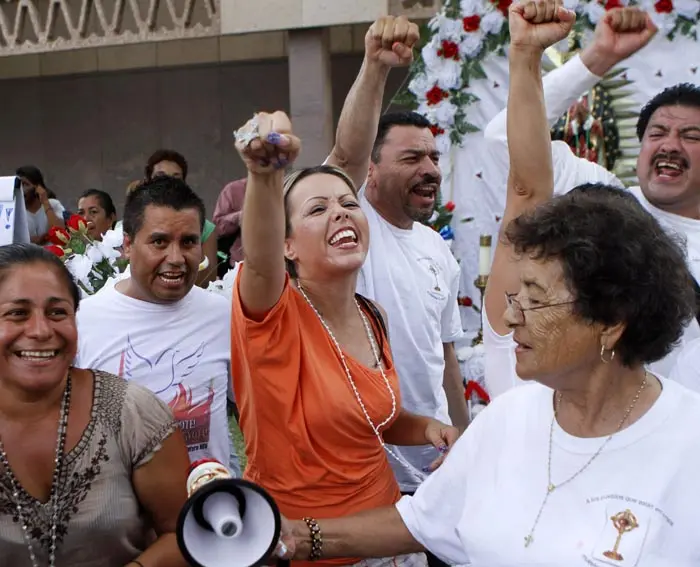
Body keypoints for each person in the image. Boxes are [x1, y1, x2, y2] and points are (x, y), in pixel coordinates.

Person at [275, 2, 700, 565]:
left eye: (538, 298)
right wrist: (290, 537)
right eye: (515, 290)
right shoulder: (508, 418)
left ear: (612, 320)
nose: (509, 314)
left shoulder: (686, 444)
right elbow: (418, 523)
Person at [231, 106, 459, 567]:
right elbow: (258, 257)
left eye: (348, 203)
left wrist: (431, 427)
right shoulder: (271, 315)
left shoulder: (371, 314)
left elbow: (371, 417)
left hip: (387, 537)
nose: (340, 213)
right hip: (303, 545)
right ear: (288, 245)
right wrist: (263, 175)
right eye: (318, 209)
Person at [482, 6, 700, 395]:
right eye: (658, 132)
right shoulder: (606, 205)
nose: (670, 145)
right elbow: (504, 142)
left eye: (691, 136)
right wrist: (599, 58)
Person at [325, 18, 469, 507]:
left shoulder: (437, 248)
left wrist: (463, 439)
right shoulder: (348, 224)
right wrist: (374, 66)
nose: (430, 170)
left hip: (434, 468)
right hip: (362, 473)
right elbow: (345, 154)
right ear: (372, 169)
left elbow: (445, 354)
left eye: (432, 157)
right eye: (411, 159)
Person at [0, 243, 190, 567]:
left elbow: (185, 534)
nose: (41, 330)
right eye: (18, 313)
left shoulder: (132, 414)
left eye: (57, 312)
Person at [74, 176, 240, 476]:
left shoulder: (222, 316)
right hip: (117, 518)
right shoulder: (83, 320)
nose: (175, 259)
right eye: (159, 242)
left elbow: (254, 415)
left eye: (188, 242)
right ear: (126, 245)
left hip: (209, 513)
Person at [144, 149, 218, 286]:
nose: (168, 182)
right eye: (160, 176)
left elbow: (209, 277)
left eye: (176, 178)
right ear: (148, 181)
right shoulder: (124, 227)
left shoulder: (205, 228)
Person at [16, 166, 65, 244]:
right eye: (19, 185)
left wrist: (45, 202)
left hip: (54, 253)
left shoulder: (53, 204)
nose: (22, 190)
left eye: (25, 184)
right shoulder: (15, 210)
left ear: (37, 187)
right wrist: (32, 240)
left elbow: (61, 233)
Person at [213, 178, 247, 272]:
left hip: (281, 264)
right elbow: (217, 228)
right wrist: (239, 216)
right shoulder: (233, 189)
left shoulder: (286, 189)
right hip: (240, 265)